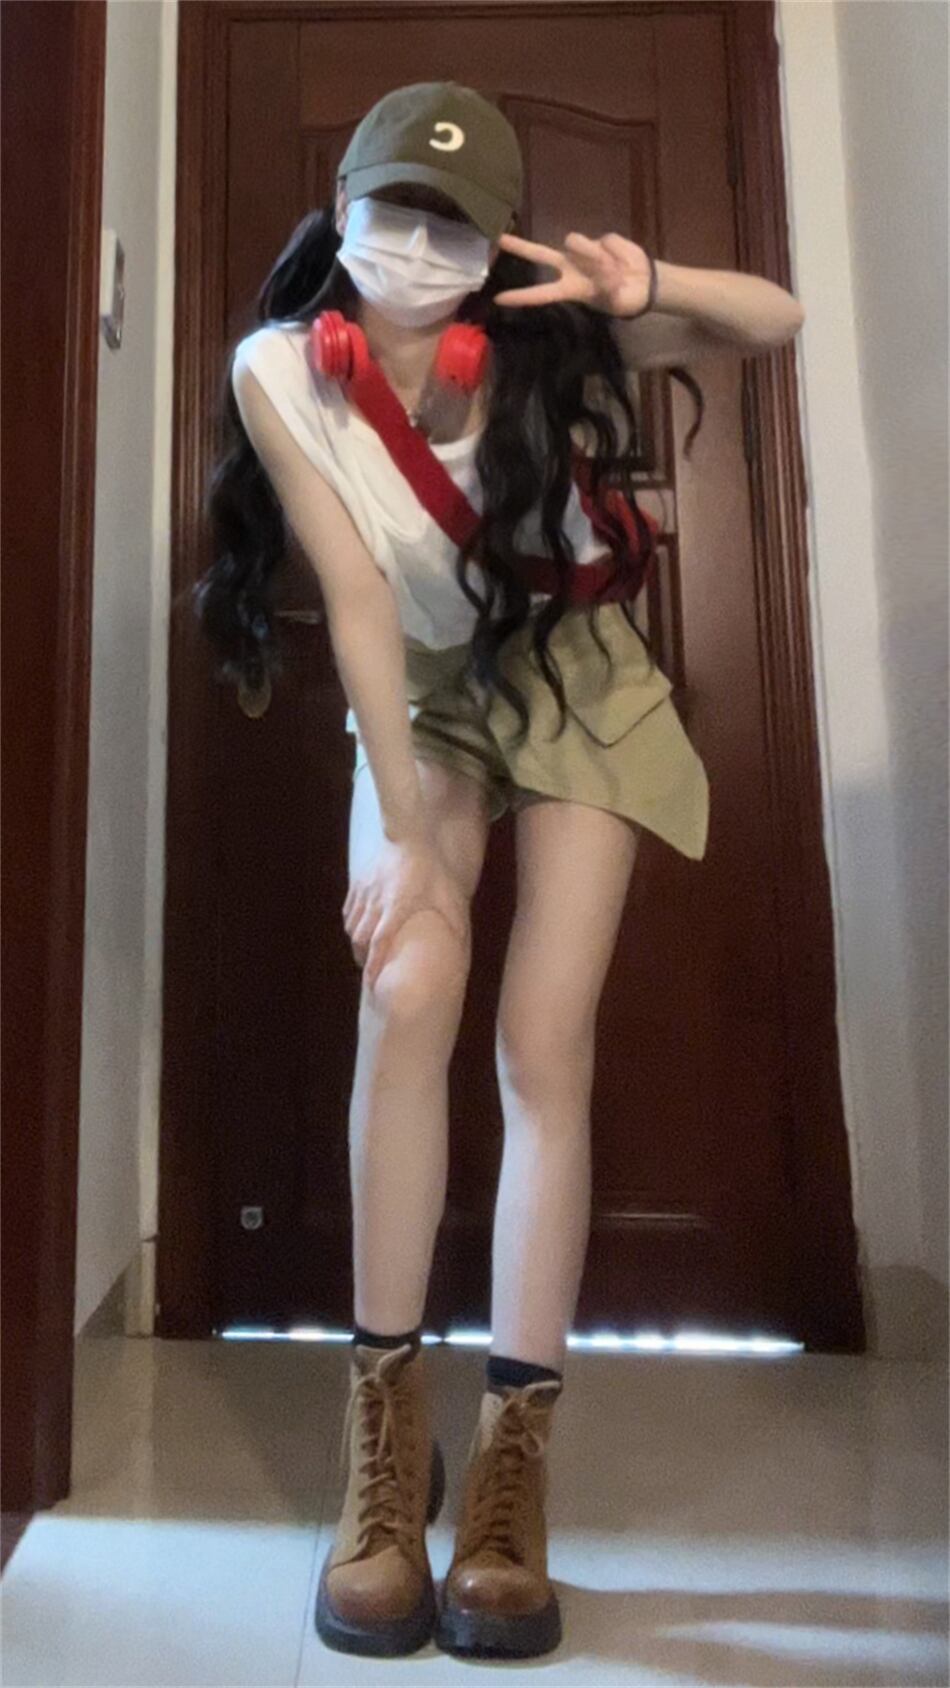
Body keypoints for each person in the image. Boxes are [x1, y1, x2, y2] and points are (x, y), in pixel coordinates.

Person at [194, 80, 805, 1662]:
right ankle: (384, 1444)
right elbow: (355, 598)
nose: (416, 247)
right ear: (341, 211)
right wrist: (405, 829)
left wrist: (645, 285)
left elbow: (774, 319)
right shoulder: (280, 369)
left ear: (492, 246)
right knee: (408, 988)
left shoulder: (544, 336)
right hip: (421, 704)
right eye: (391, 211)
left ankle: (514, 1461)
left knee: (542, 1039)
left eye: (451, 225)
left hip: (579, 676)